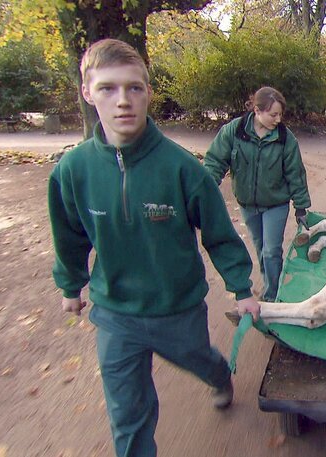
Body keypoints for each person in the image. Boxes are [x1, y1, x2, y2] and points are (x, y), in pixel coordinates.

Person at [48, 39, 260, 457]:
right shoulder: (72, 170)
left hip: (176, 308)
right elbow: (69, 234)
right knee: (128, 414)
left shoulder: (182, 168)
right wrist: (70, 286)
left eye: (135, 88)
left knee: (201, 360)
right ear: (87, 93)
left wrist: (243, 288)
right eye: (108, 88)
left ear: (148, 92)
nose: (123, 101)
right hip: (116, 313)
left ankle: (220, 376)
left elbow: (218, 234)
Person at [204, 86, 311, 302]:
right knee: (261, 249)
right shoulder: (234, 131)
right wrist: (205, 190)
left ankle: (273, 297)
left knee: (272, 251)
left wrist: (300, 206)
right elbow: (215, 162)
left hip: (276, 204)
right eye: (273, 114)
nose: (278, 119)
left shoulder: (285, 139)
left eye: (280, 114)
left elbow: (295, 173)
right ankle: (271, 284)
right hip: (247, 205)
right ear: (257, 110)